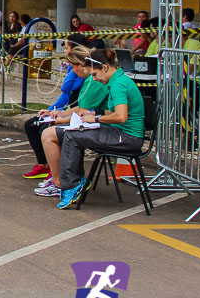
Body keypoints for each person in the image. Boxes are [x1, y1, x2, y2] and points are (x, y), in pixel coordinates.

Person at [51, 48, 146, 209]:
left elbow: (121, 116)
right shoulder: (118, 81)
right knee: (75, 133)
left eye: (94, 74)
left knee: (72, 136)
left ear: (105, 68)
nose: (94, 79)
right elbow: (115, 111)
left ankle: (71, 185)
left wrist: (96, 118)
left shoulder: (118, 85)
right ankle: (75, 181)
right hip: (122, 133)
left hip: (127, 137)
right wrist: (94, 114)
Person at [31, 45, 109, 197]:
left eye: (73, 67)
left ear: (82, 65)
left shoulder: (94, 81)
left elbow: (83, 110)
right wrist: (62, 114)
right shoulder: (91, 79)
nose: (72, 71)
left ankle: (60, 181)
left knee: (49, 134)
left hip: (103, 127)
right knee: (49, 129)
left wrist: (61, 120)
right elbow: (81, 107)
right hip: (96, 122)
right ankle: (63, 178)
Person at [20, 34, 90, 180]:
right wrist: (52, 110)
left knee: (47, 129)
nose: (64, 50)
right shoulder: (75, 68)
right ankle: (43, 165)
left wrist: (61, 116)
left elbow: (69, 87)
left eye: (66, 47)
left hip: (78, 114)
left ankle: (56, 173)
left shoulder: (86, 74)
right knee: (32, 124)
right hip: (69, 110)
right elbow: (65, 94)